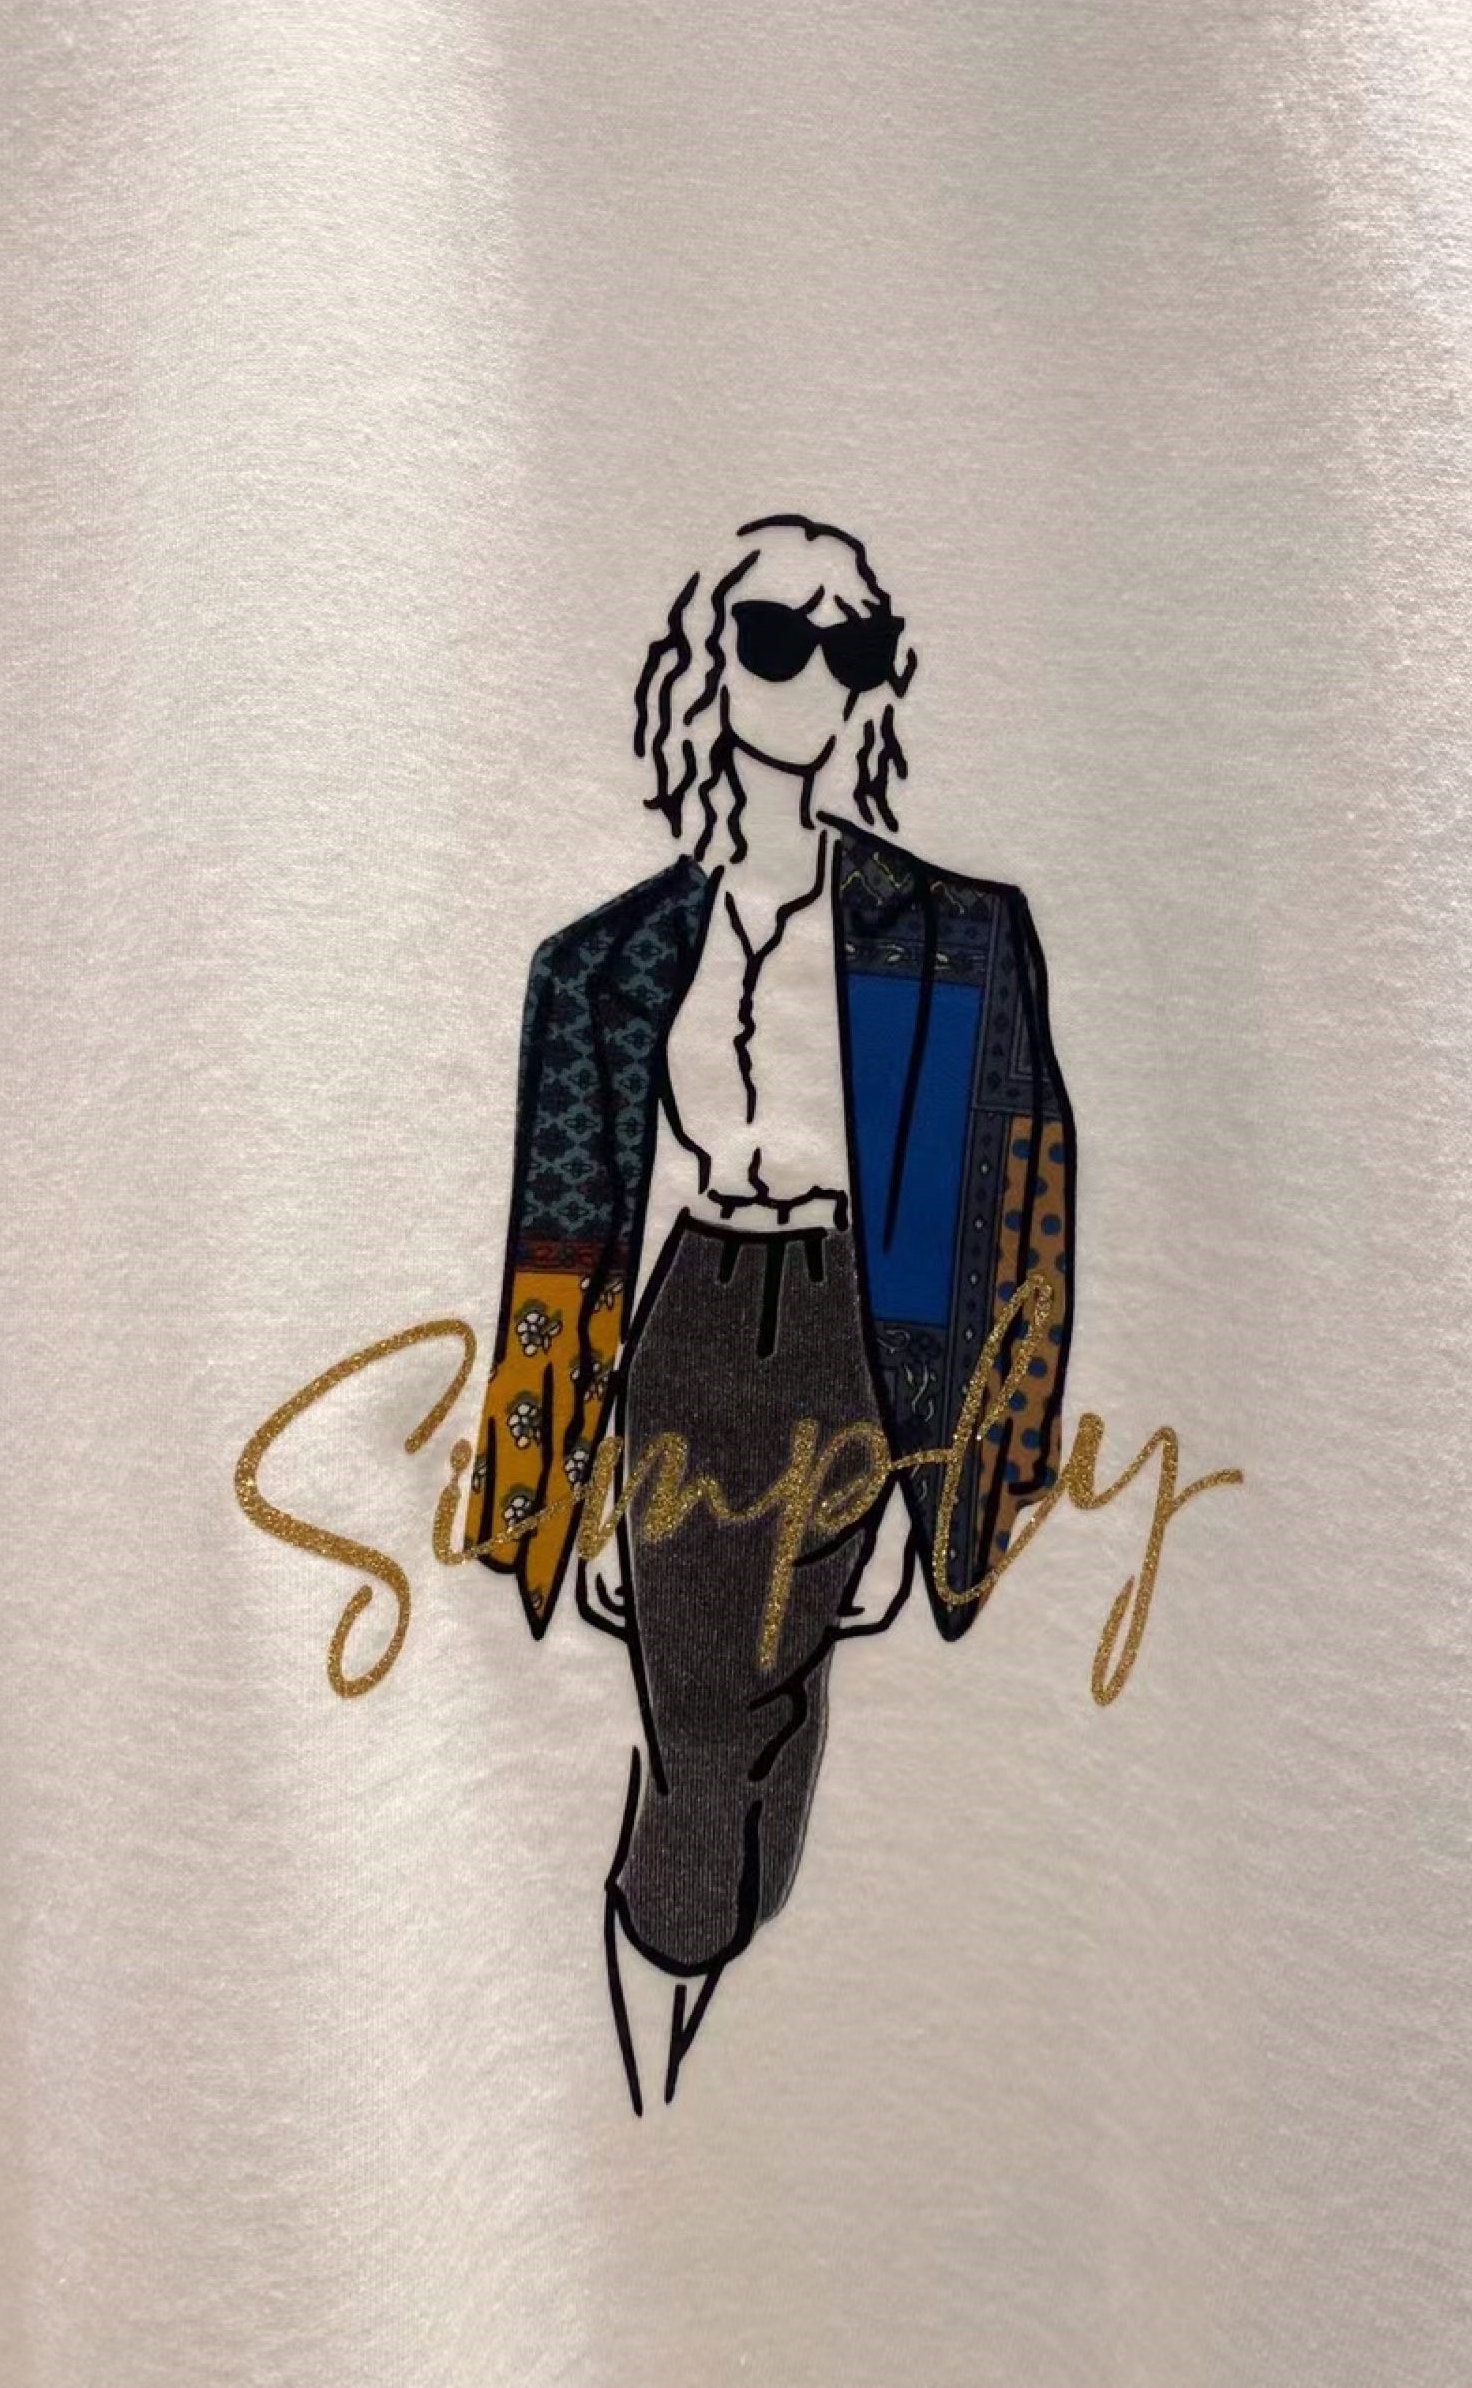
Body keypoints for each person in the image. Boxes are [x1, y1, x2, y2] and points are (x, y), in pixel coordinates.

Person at [467, 514, 1075, 2108]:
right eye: (774, 638)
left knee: (779, 1716)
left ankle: (676, 2076)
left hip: (860, 1332)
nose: (814, 673)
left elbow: (1015, 1223)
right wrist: (556, 1483)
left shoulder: (954, 937)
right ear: (706, 668)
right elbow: (562, 1235)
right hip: (692, 1320)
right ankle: (656, 2054)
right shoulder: (605, 961)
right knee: (698, 1726)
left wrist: (954, 1494)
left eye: (848, 643)